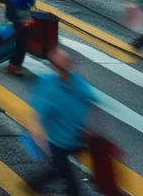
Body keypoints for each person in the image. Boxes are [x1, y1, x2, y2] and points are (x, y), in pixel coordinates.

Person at [27, 49, 96, 196]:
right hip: (55, 141)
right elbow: (38, 115)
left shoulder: (78, 84)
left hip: (74, 136)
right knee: (69, 179)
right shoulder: (47, 86)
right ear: (55, 66)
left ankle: (34, 182)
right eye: (62, 63)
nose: (66, 65)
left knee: (59, 168)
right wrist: (38, 135)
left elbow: (92, 102)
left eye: (67, 61)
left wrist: (89, 128)